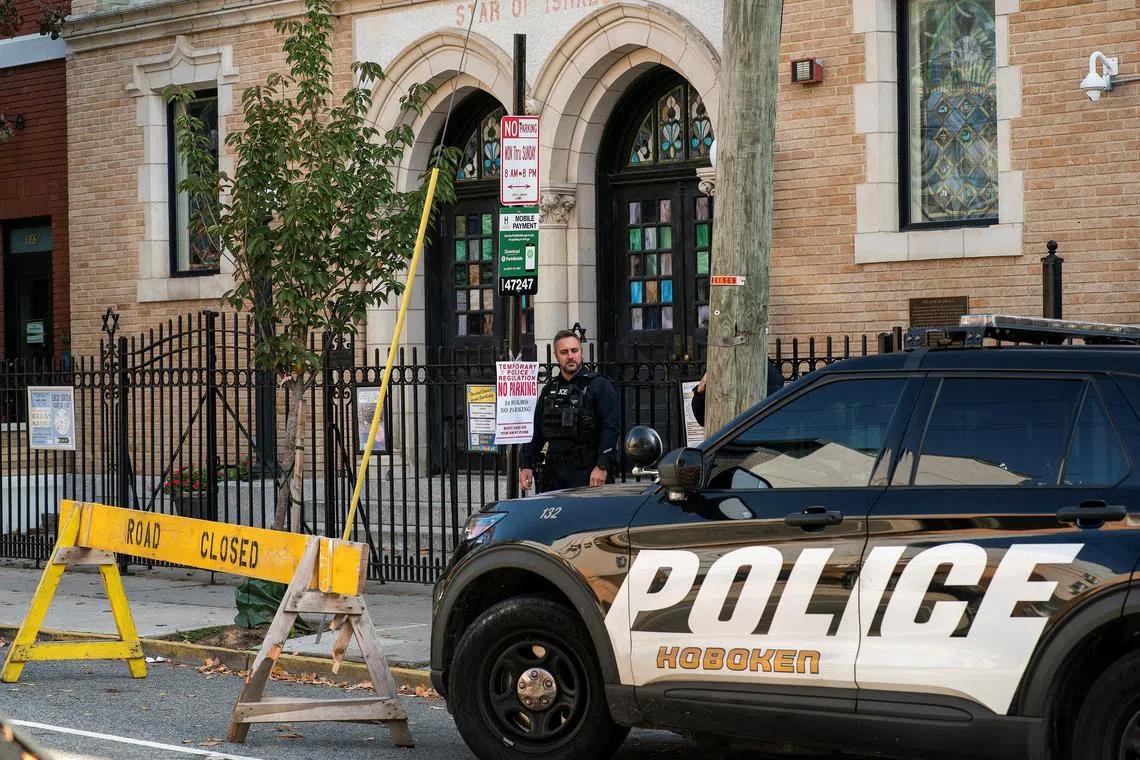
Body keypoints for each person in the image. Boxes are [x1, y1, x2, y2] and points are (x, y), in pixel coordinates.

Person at [520, 330, 621, 492]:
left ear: (581, 352)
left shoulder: (599, 385)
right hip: (553, 474)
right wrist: (526, 465)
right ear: (555, 355)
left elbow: (611, 428)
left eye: (574, 350)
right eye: (564, 352)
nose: (570, 356)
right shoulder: (549, 389)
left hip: (588, 472)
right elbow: (537, 431)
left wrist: (602, 466)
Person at [690, 358, 784, 427]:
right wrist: (700, 393)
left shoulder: (765, 370)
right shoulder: (718, 364)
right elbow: (703, 419)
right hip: (725, 438)